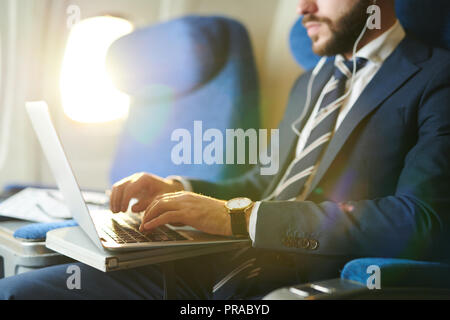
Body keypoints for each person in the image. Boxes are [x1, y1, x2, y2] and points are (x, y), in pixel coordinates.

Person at [1, 0, 449, 299]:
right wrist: (179, 188)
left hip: (296, 278)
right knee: (20, 292)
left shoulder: (435, 77)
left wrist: (240, 217)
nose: (303, 8)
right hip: (212, 261)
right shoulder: (311, 81)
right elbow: (264, 183)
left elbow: (420, 220)